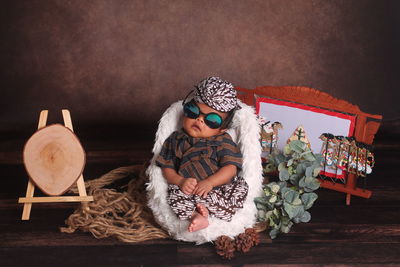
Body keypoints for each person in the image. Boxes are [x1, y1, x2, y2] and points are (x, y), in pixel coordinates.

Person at [155, 77, 248, 232]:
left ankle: (210, 209)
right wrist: (179, 181)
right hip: (187, 190)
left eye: (211, 119)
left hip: (217, 189)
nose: (199, 119)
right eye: (193, 111)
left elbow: (230, 169)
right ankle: (195, 215)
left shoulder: (222, 141)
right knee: (173, 195)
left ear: (222, 129)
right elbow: (167, 167)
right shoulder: (176, 139)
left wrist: (210, 183)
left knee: (240, 189)